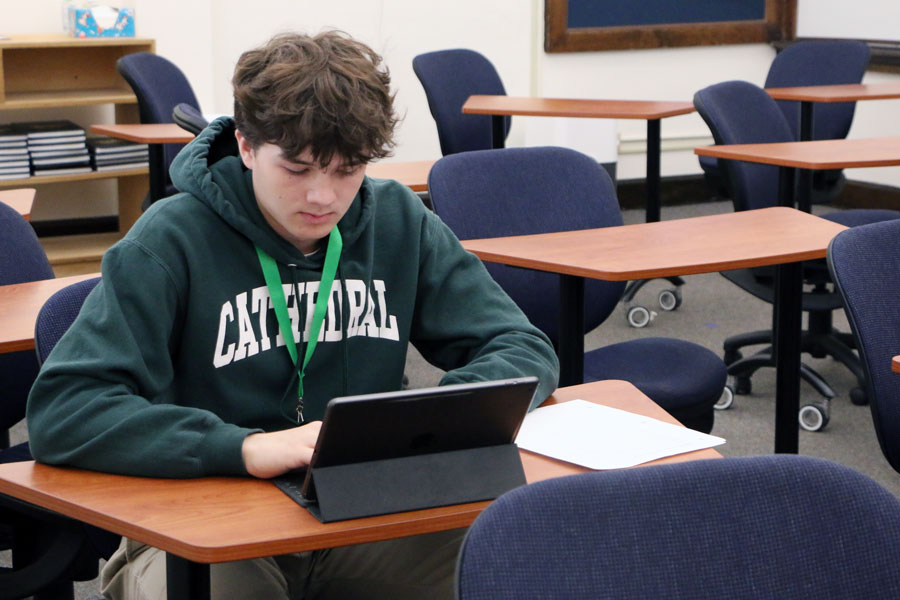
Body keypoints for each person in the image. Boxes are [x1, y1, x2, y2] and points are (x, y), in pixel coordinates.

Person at [26, 30, 558, 600]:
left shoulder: (397, 220)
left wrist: (430, 417)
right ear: (248, 146)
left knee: (519, 559)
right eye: (299, 169)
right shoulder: (170, 239)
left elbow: (521, 347)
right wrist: (242, 447)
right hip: (207, 519)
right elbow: (66, 410)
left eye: (348, 169)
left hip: (361, 512)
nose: (324, 198)